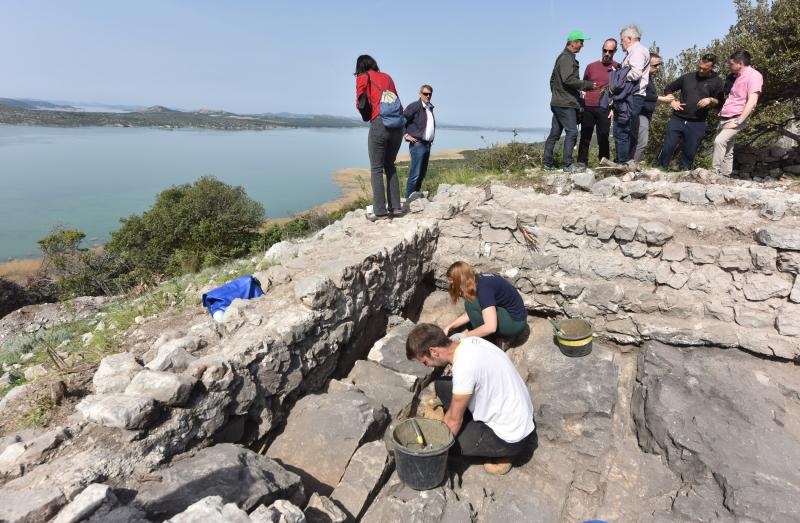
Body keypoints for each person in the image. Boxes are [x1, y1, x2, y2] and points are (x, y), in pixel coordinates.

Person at [405, 323, 536, 475]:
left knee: (448, 445)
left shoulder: (464, 368)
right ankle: (468, 419)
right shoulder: (469, 342)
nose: (426, 365)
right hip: (516, 412)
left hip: (510, 436)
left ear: (433, 351)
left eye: (424, 361)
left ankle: (504, 454)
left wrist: (433, 447)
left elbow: (454, 420)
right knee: (442, 386)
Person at [354, 54, 404, 221]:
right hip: (397, 126)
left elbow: (360, 100)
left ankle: (381, 212)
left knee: (376, 168)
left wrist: (366, 114)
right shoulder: (388, 77)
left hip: (380, 123)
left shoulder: (363, 76)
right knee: (390, 165)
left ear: (360, 66)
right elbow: (397, 101)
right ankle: (396, 208)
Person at [656, 54, 724, 171]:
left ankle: (684, 174)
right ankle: (659, 171)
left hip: (697, 122)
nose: (701, 70)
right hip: (677, 119)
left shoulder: (717, 82)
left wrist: (710, 100)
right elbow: (668, 88)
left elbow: (720, 103)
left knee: (689, 152)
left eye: (705, 68)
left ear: (713, 67)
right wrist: (672, 101)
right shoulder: (687, 77)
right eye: (700, 67)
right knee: (668, 147)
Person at [543, 30, 597, 173]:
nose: (583, 45)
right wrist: (588, 85)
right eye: (581, 42)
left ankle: (547, 163)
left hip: (559, 102)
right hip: (565, 103)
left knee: (555, 133)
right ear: (573, 43)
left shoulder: (563, 57)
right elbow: (568, 80)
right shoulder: (566, 58)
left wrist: (557, 95)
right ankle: (567, 165)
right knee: (572, 132)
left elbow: (552, 80)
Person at [443, 261, 527, 346]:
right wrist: (449, 327)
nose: (451, 284)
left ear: (460, 279)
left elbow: (491, 327)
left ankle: (493, 342)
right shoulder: (478, 279)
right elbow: (470, 313)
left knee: (471, 304)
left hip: (516, 323)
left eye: (452, 281)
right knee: (471, 304)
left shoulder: (484, 289)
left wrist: (464, 336)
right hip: (514, 314)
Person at [712, 50, 763, 177]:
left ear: (740, 63)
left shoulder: (754, 76)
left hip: (736, 117)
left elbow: (752, 100)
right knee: (728, 148)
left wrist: (738, 121)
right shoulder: (736, 76)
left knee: (719, 141)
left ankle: (714, 172)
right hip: (725, 116)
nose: (729, 66)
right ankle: (725, 176)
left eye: (731, 64)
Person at [576, 39, 619, 168]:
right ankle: (581, 163)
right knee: (585, 136)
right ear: (602, 49)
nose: (607, 53)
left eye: (610, 51)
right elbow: (583, 84)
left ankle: (604, 165)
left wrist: (614, 108)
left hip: (605, 107)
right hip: (588, 106)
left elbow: (619, 90)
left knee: (603, 137)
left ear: (615, 51)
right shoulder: (591, 66)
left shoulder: (618, 67)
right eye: (604, 50)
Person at [613, 25, 649, 168]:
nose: (621, 42)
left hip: (632, 96)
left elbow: (635, 73)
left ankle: (623, 163)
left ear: (629, 39)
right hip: (631, 96)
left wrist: (617, 78)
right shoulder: (636, 51)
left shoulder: (637, 51)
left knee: (623, 128)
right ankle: (624, 161)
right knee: (622, 129)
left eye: (622, 39)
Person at [631, 53, 673, 163]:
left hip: (645, 114)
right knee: (642, 142)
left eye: (659, 65)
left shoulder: (648, 78)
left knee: (637, 142)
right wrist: (661, 99)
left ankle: (630, 164)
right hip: (640, 113)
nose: (658, 67)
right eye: (655, 65)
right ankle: (631, 166)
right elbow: (640, 94)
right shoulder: (640, 78)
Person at [402, 85, 436, 199]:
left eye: (430, 94)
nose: (428, 96)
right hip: (418, 144)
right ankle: (408, 200)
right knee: (415, 175)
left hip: (427, 145)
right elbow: (402, 120)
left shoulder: (429, 108)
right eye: (425, 93)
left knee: (421, 174)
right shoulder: (414, 106)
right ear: (420, 94)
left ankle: (415, 198)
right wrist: (406, 135)